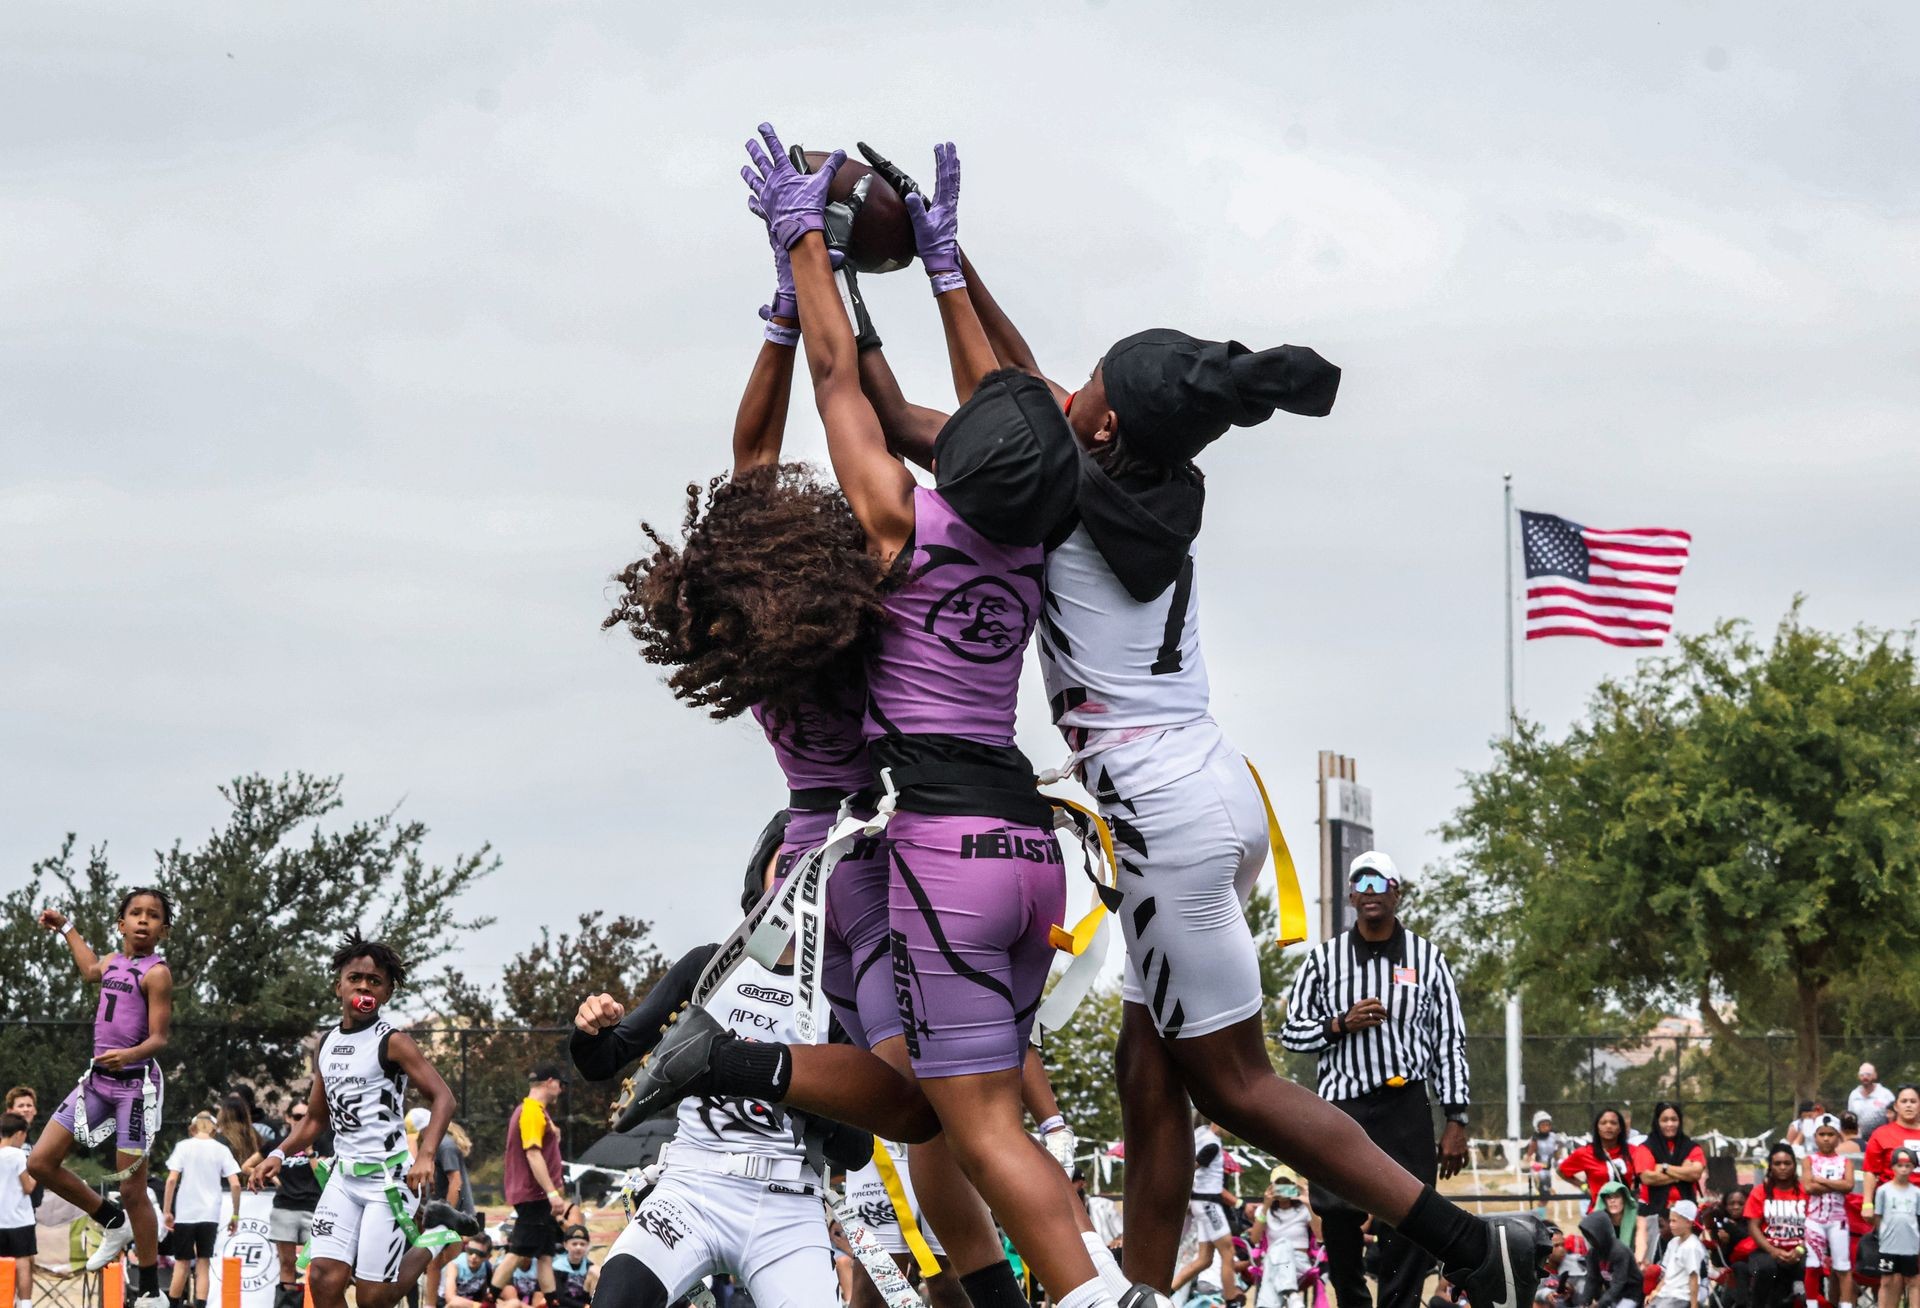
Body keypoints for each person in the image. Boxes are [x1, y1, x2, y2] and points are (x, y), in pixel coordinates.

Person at [840, 135, 1533, 1308]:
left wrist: (858, 301)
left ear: (1099, 430)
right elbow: (1028, 394)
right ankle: (1146, 1293)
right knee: (1148, 1075)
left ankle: (1475, 1249)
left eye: (1090, 392)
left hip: (1163, 820)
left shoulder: (1056, 482)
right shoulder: (1146, 479)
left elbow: (952, 409)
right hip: (1214, 789)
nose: (1069, 396)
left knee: (1239, 1087)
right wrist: (954, 266)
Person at [569, 845, 879, 1308]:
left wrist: (776, 1078)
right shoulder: (709, 969)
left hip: (787, 1203)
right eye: (790, 863)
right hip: (691, 1190)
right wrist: (592, 1029)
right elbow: (602, 1061)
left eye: (816, 870)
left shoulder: (839, 997)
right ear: (761, 875)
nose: (800, 880)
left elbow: (855, 1149)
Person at [1284, 852, 1520, 1308]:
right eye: (1361, 882)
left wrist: (1457, 1118)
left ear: (1398, 891)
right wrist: (1338, 1024)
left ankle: (1401, 1304)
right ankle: (1351, 1298)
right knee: (1337, 1212)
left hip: (1405, 1105)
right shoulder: (1323, 961)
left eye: (1380, 881)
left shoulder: (1428, 959)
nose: (1370, 890)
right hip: (1341, 1106)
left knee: (1410, 1214)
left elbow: (1450, 1039)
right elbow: (1291, 1032)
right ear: (1350, 895)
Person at [248, 935, 480, 1308]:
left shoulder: (393, 1042)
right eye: (355, 978)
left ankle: (435, 1231)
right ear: (339, 984)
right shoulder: (325, 1043)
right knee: (323, 1279)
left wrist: (425, 1155)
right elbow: (314, 1118)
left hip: (388, 1179)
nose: (364, 986)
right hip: (343, 1177)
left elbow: (444, 1098)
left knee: (373, 1300)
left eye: (375, 981)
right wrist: (277, 1151)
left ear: (386, 993)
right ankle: (432, 1224)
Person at [28, 890, 173, 1307]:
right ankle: (110, 1221)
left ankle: (149, 1289)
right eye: (135, 913)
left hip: (135, 1088)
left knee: (132, 1189)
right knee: (39, 1162)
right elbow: (90, 969)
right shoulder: (111, 961)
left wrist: (128, 1055)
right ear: (120, 923)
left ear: (163, 930)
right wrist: (66, 927)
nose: (143, 920)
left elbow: (160, 1037)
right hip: (96, 1083)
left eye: (153, 916)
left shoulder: (157, 973)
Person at [492, 1066, 570, 1303]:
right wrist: (552, 1193)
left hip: (537, 1196)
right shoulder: (531, 1112)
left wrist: (552, 1129)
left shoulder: (537, 1112)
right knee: (518, 1252)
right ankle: (488, 1300)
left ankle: (552, 1302)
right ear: (550, 1082)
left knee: (546, 1254)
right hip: (534, 1195)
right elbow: (533, 1154)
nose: (562, 1089)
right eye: (561, 1084)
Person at [163, 1111, 243, 1308]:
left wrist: (167, 1210)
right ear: (214, 1130)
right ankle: (200, 1305)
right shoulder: (221, 1149)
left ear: (192, 1128)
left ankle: (174, 1305)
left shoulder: (183, 1147)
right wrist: (235, 1214)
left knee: (182, 1263)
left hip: (186, 1213)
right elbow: (235, 1184)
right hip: (210, 1214)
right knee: (203, 1262)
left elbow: (172, 1179)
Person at [269, 1098, 332, 1308]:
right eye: (297, 1116)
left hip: (313, 1209)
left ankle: (312, 1304)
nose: (301, 1120)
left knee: (316, 1267)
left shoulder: (322, 1142)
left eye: (305, 1116)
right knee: (287, 1264)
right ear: (288, 1118)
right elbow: (249, 1165)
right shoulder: (279, 1144)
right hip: (285, 1207)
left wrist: (310, 1152)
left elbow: (324, 1177)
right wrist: (271, 1177)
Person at [1174, 1119, 1243, 1304]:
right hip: (1208, 1203)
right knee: (1228, 1252)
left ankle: (1168, 1290)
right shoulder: (1211, 1143)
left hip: (1201, 1203)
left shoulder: (1202, 1134)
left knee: (1205, 1259)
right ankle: (1231, 1301)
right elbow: (1189, 1168)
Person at [1743, 1145, 1808, 1308]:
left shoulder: (1806, 1192)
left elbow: (1815, 1227)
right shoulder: (1760, 1192)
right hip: (1766, 1251)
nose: (1783, 1167)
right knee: (1765, 1269)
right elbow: (1753, 1227)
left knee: (1811, 1268)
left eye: (1787, 1163)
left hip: (1801, 1250)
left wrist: (1800, 1249)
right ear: (1770, 1166)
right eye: (1777, 1163)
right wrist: (1773, 1251)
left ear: (1794, 1165)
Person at [1639, 1104, 1704, 1262]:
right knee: (1656, 1262)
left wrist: (1665, 1168)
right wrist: (1682, 1172)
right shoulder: (1645, 1148)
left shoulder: (1692, 1147)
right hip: (1655, 1214)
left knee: (1688, 1261)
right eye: (1665, 1120)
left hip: (1687, 1215)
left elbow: (1696, 1172)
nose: (1670, 1124)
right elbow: (1647, 1177)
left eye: (1674, 1119)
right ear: (1657, 1122)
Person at [423, 1121, 478, 1308]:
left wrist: (447, 1212)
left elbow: (456, 1181)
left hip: (452, 1214)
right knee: (435, 1263)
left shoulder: (445, 1145)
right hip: (449, 1213)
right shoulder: (443, 1143)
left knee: (437, 1262)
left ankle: (436, 1302)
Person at [1802, 1115, 1854, 1308]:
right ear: (1815, 1136)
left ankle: (1846, 1304)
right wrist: (1837, 1185)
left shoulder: (1844, 1162)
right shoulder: (1809, 1160)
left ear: (1837, 1136)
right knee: (1813, 1263)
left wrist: (1822, 1181)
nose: (1826, 1139)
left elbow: (1848, 1185)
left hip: (1838, 1220)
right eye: (1821, 1134)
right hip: (1814, 1219)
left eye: (1830, 1134)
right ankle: (1812, 1304)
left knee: (1842, 1265)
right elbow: (1808, 1187)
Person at [1249, 1171, 1315, 1308]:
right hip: (1275, 1262)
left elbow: (1320, 1236)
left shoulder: (1304, 1210)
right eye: (1279, 1186)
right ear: (1271, 1188)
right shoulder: (1263, 1210)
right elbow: (1254, 1239)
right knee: (1280, 1249)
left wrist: (1309, 1204)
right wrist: (1266, 1206)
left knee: (1282, 1246)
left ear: (1294, 1187)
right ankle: (1291, 1293)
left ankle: (1269, 1303)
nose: (1283, 1190)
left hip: (1298, 1263)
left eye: (1287, 1185)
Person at [1559, 1110, 1647, 1210]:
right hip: (1599, 1214)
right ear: (1597, 1128)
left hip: (1628, 1215)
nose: (1608, 1126)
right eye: (1603, 1123)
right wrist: (1583, 1187)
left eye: (1613, 1123)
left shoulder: (1634, 1151)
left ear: (1620, 1128)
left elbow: (1645, 1177)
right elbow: (1561, 1171)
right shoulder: (1585, 1152)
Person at [1868, 1149, 1920, 1308]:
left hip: (1910, 1244)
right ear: (1893, 1167)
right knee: (1887, 1279)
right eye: (1899, 1165)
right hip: (1888, 1244)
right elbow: (1878, 1216)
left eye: (1908, 1165)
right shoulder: (1883, 1190)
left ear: (1913, 1168)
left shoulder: (1917, 1192)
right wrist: (1881, 1235)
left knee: (1913, 1280)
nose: (1903, 1169)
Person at [1579, 1185, 1641, 1308]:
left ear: (1601, 1232)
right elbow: (1592, 1279)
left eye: (1593, 1235)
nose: (1591, 1239)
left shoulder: (1619, 1251)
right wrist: (1584, 1303)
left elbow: (1619, 1283)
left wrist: (1599, 1304)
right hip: (1611, 1295)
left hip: (1630, 1294)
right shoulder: (1593, 1253)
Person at [0, 1111, 37, 1308]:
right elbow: (28, 1187)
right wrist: (38, 1175)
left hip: (0, 1220)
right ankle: (25, 1303)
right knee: (23, 1262)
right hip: (20, 1220)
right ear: (19, 1134)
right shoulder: (18, 1155)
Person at [1646, 1201, 1705, 1308]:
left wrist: (1694, 1305)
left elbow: (1694, 1278)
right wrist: (1656, 1291)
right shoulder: (1673, 1243)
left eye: (1674, 1221)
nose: (1671, 1225)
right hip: (1666, 1293)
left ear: (1688, 1222)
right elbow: (1668, 1273)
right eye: (1670, 1221)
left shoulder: (1692, 1246)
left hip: (1680, 1296)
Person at [1865, 1088, 1920, 1191]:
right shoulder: (1881, 1134)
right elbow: (1870, 1172)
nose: (1908, 1105)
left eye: (1913, 1101)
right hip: (1891, 1199)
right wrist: (1867, 1204)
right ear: (1896, 1106)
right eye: (1904, 1101)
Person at [217, 1093, 265, 1179]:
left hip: (228, 1188)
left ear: (223, 1114)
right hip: (254, 1187)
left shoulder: (220, 1140)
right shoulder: (256, 1137)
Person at [446, 1235, 498, 1308]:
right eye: (470, 1251)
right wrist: (481, 1306)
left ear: (488, 1256)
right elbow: (451, 1299)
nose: (473, 1256)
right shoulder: (455, 1264)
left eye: (480, 1254)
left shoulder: (487, 1267)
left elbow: (485, 1293)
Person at [551, 1227, 597, 1308]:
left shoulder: (589, 1266)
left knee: (595, 1272)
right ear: (565, 1245)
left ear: (587, 1246)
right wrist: (583, 1306)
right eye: (574, 1244)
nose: (578, 1247)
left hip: (586, 1303)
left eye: (582, 1244)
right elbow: (560, 1297)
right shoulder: (557, 1267)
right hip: (564, 1305)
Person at [1530, 1115, 1565, 1214]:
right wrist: (1534, 1165)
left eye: (1547, 1125)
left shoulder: (1552, 1138)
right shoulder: (1535, 1139)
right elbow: (1529, 1157)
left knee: (1545, 1198)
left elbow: (1557, 1156)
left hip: (1548, 1172)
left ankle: (1539, 1217)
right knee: (1544, 1197)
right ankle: (1539, 1218)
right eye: (1543, 1125)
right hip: (1539, 1173)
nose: (1546, 1127)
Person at [1850, 1068, 1896, 1139]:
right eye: (1862, 1075)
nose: (1865, 1077)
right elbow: (1850, 1117)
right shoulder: (1854, 1095)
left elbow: (1894, 1115)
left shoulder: (1886, 1094)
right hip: (1860, 1139)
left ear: (1875, 1076)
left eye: (1868, 1074)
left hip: (1883, 1137)